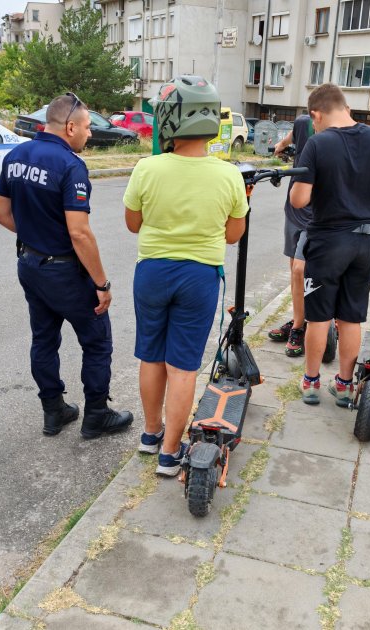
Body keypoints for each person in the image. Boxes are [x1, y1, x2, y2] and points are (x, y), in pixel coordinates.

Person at [124, 76, 248, 476]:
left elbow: (132, 223)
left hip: (152, 272)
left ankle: (150, 434)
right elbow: (233, 235)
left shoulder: (147, 168)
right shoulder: (229, 176)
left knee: (151, 355)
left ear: (167, 121)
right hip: (199, 277)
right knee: (183, 366)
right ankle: (170, 453)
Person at [0, 93, 133, 440]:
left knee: (44, 339)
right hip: (65, 272)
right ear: (69, 127)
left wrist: (35, 234)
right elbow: (80, 233)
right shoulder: (71, 165)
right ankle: (96, 415)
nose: (89, 134)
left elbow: (0, 214)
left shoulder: (16, 156)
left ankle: (53, 412)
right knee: (97, 343)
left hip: (29, 264)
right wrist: (101, 284)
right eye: (86, 128)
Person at [289, 83, 370, 406]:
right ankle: (343, 385)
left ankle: (311, 381)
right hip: (367, 240)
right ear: (346, 107)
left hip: (328, 241)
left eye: (314, 121)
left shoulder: (318, 143)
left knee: (319, 315)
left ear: (317, 114)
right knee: (352, 316)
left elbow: (299, 200)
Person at [268, 115, 314, 357]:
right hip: (295, 210)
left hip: (319, 212)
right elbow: (289, 138)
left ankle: (309, 325)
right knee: (294, 270)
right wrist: (280, 146)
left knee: (301, 269)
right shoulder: (302, 122)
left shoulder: (336, 131)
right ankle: (298, 321)